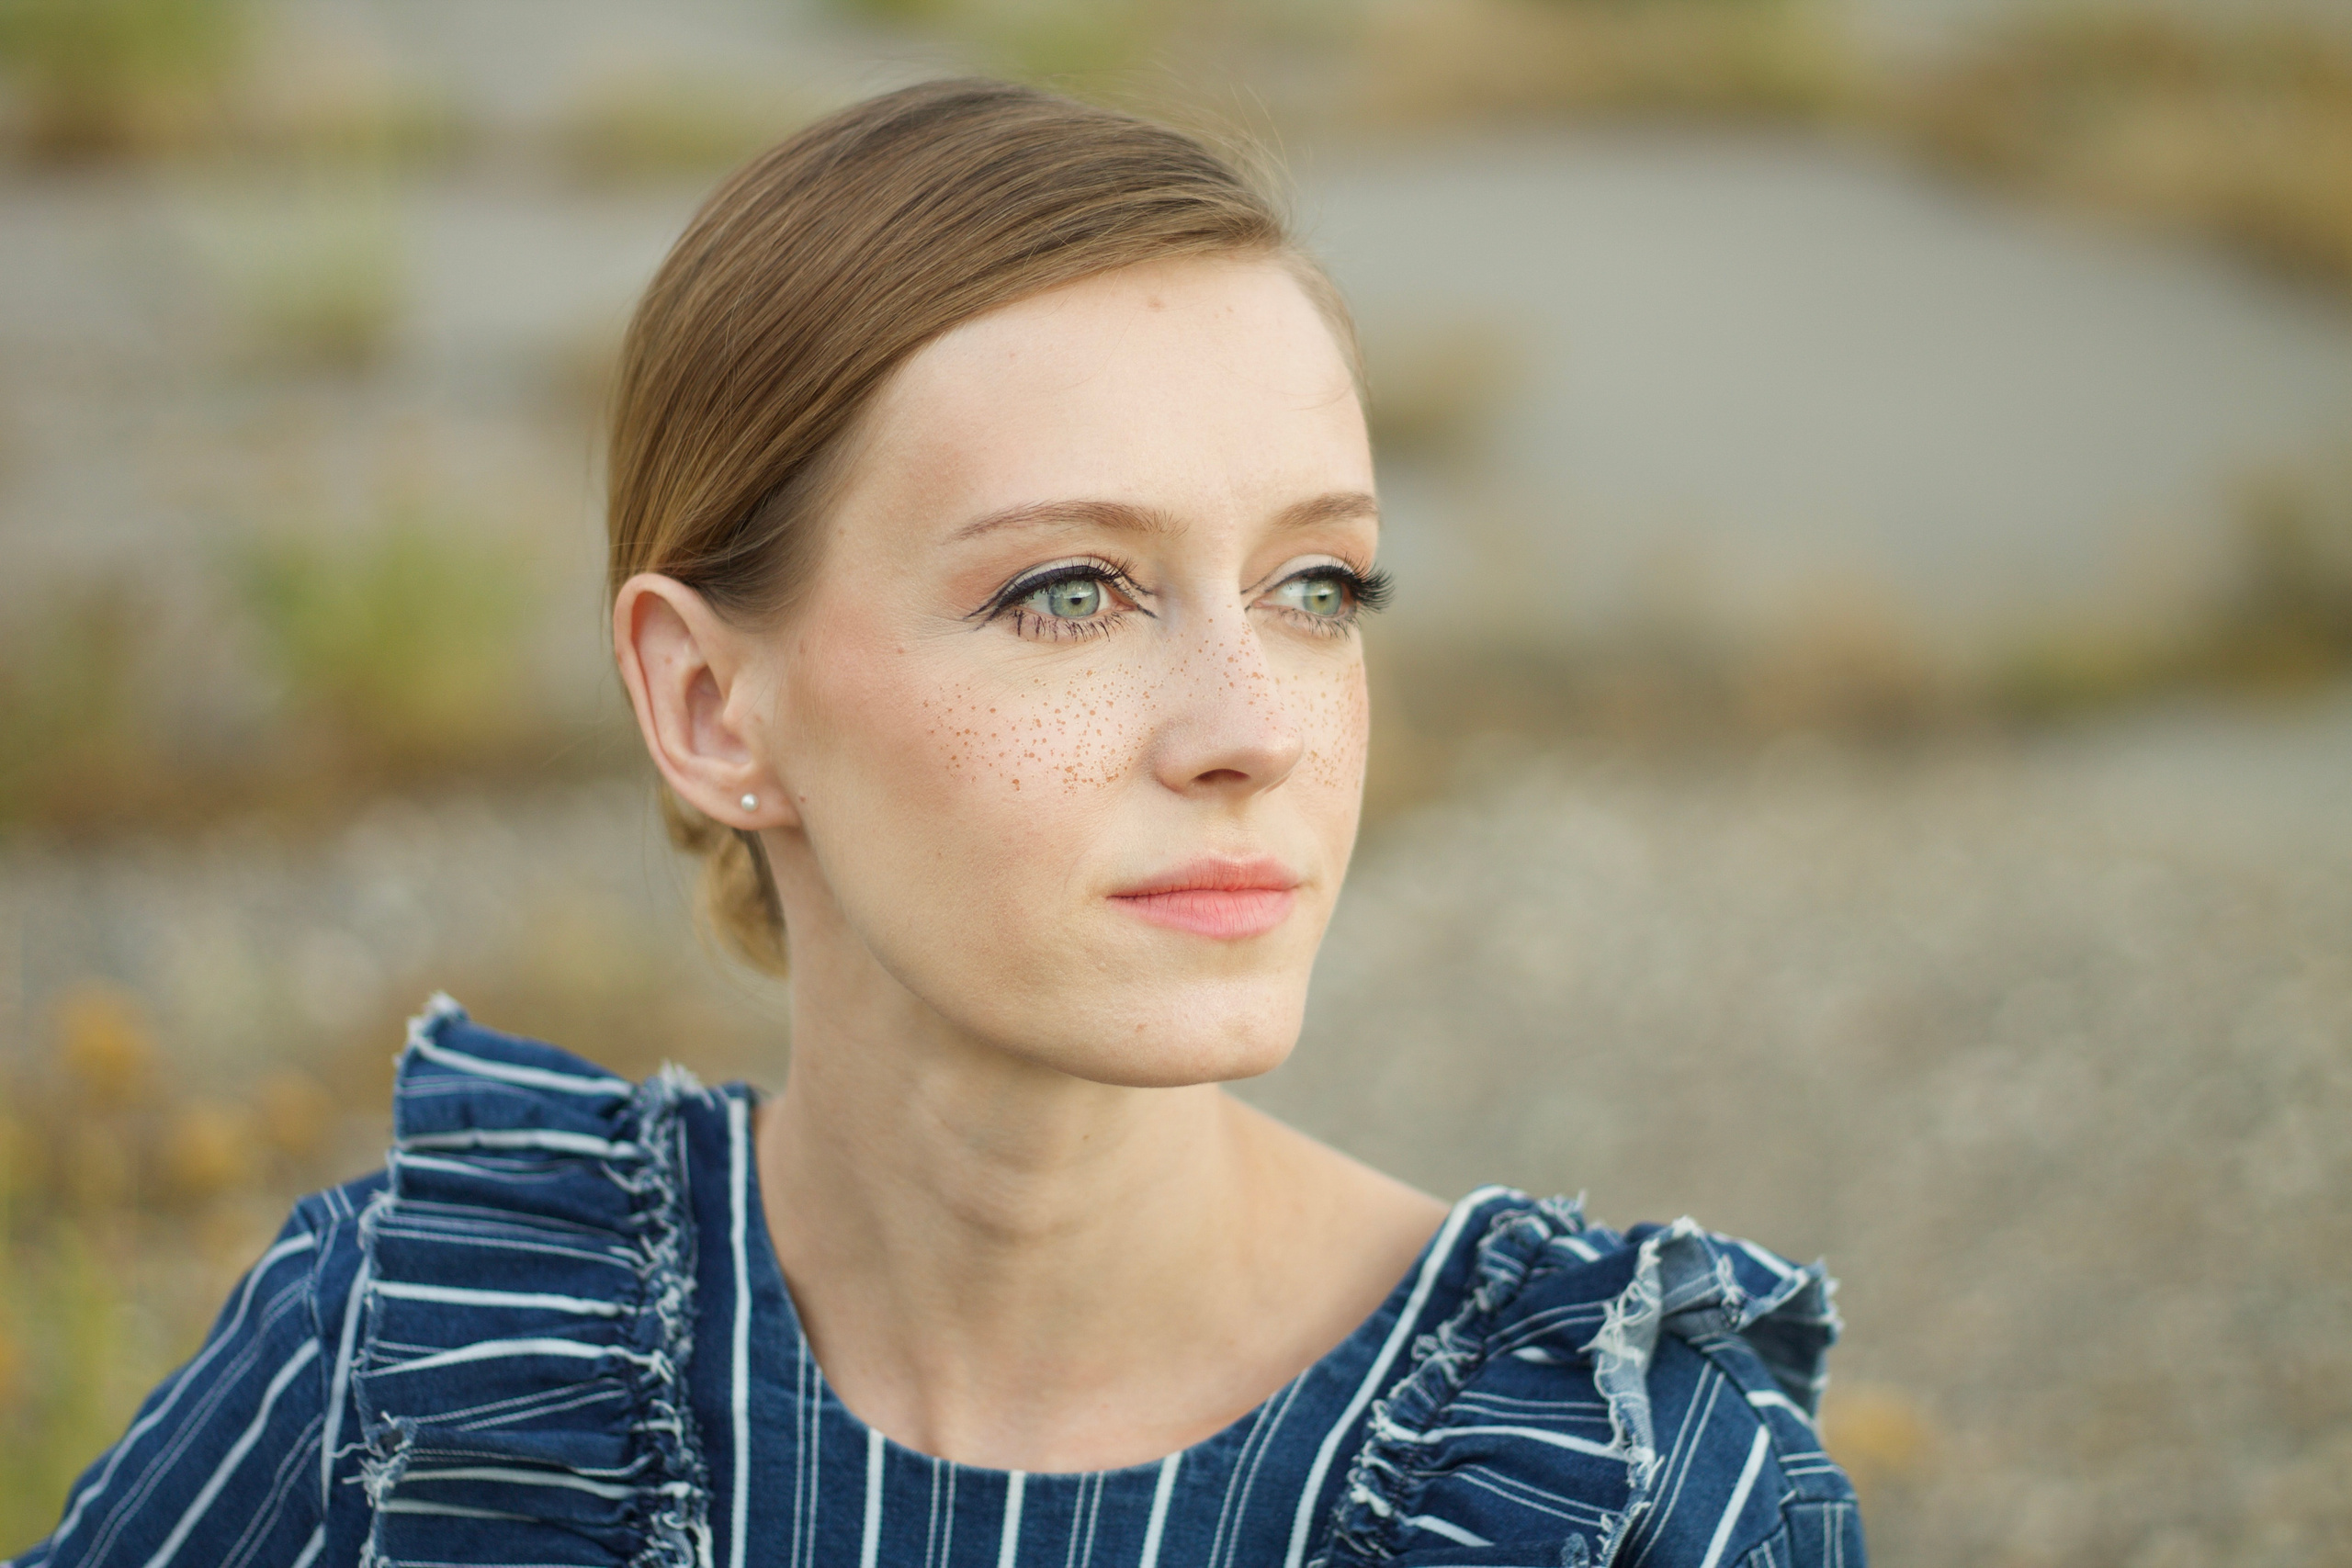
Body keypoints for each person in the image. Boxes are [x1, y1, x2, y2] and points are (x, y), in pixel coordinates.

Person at [12, 79, 1861, 1568]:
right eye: (1066, 592)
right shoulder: (425, 1372)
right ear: (709, 705)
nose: (1250, 733)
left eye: (1319, 585)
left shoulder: (1619, 1489)